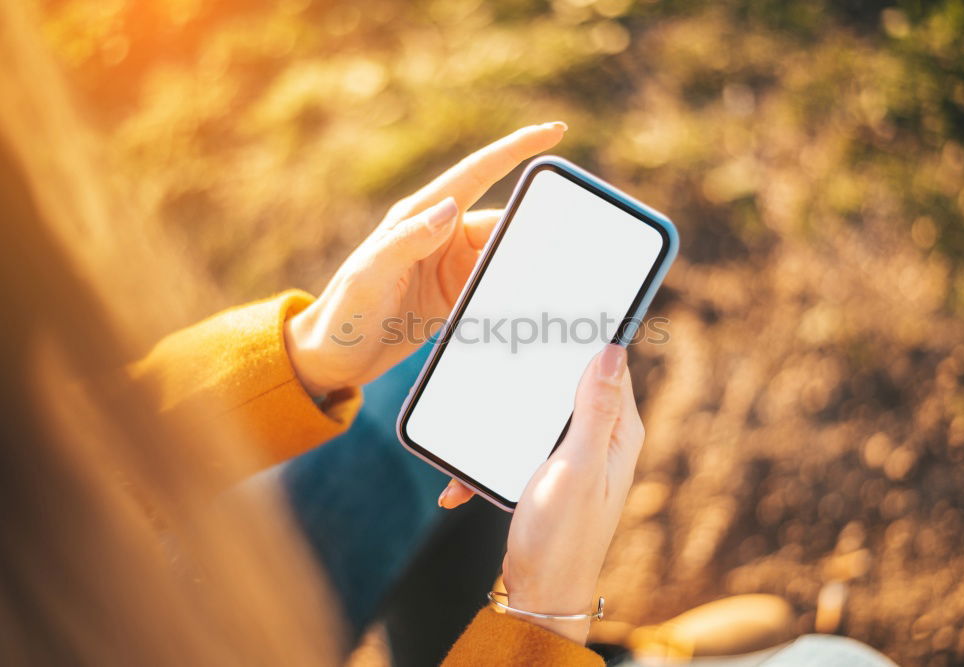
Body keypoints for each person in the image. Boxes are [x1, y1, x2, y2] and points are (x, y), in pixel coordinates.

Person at [0, 2, 638, 663]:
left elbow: (42, 446)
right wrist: (542, 617)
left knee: (433, 374)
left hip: (126, 582)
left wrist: (304, 356)